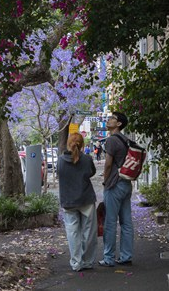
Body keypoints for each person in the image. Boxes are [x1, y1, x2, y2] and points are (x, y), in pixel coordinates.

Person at [57, 133, 98, 272]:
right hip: (86, 199)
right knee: (89, 232)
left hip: (68, 200)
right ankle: (87, 261)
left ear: (69, 144)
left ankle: (76, 262)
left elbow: (59, 174)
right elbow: (91, 172)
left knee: (72, 232)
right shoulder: (87, 159)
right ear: (82, 145)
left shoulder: (60, 160)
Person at [99, 111, 134, 267]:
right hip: (126, 183)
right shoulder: (126, 140)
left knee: (110, 222)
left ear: (119, 124)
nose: (109, 120)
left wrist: (106, 181)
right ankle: (126, 256)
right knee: (126, 222)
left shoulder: (112, 140)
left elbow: (107, 164)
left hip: (114, 184)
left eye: (112, 118)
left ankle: (108, 258)